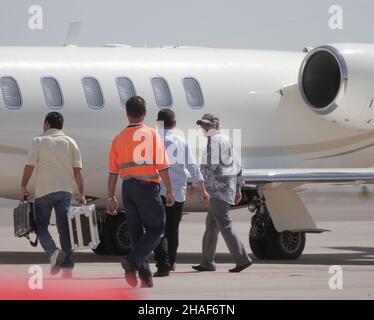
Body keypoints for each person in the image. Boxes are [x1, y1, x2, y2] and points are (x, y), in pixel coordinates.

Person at [107, 96, 175, 288]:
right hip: (147, 188)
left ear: (127, 114)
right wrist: (169, 190)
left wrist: (111, 196)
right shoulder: (152, 134)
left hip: (127, 188)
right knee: (156, 229)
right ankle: (132, 260)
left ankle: (145, 277)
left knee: (137, 234)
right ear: (145, 113)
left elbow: (112, 173)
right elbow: (162, 166)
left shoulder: (118, 138)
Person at [19, 112, 86, 276]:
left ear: (47, 124)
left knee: (41, 227)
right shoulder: (71, 142)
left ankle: (54, 252)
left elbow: (29, 166)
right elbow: (78, 171)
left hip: (44, 191)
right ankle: (68, 269)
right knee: (65, 230)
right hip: (65, 191)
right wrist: (82, 193)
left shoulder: (39, 141)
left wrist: (23, 186)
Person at [192, 113, 252, 273]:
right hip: (226, 188)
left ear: (217, 125)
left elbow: (208, 166)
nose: (204, 128)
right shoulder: (227, 140)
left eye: (207, 125)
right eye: (202, 126)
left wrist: (195, 183)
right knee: (211, 226)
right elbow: (238, 165)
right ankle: (207, 262)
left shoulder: (216, 141)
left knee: (224, 224)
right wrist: (239, 186)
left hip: (218, 190)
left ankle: (242, 259)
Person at [153, 109, 210, 277]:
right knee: (173, 229)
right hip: (177, 192)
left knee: (158, 228)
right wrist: (203, 189)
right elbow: (192, 166)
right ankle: (171, 262)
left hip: (158, 190)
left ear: (158, 123)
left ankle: (162, 262)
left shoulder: (152, 140)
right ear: (174, 124)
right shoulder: (181, 141)